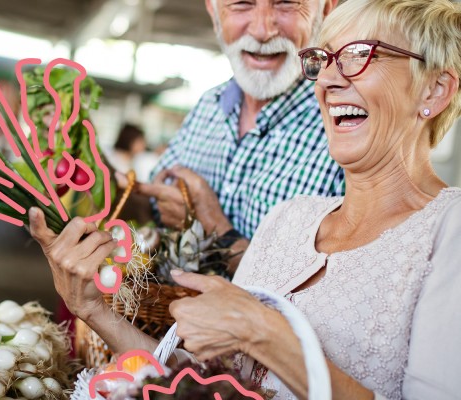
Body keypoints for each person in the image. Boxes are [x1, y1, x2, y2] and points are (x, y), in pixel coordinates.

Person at [30, 0, 461, 398]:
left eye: (359, 54)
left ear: (435, 90)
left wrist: (262, 332)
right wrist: (92, 310)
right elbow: (203, 378)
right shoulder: (288, 219)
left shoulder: (449, 229)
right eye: (324, 59)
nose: (328, 79)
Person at [119, 0, 345, 273]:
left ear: (325, 10)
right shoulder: (209, 105)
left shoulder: (344, 125)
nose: (262, 30)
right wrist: (95, 172)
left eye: (286, 3)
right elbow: (152, 214)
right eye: (241, 4)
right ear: (214, 12)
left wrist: (211, 225)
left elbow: (331, 291)